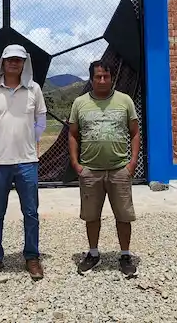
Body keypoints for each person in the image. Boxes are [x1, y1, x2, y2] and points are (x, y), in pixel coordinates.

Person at [0, 44, 48, 281]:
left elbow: (41, 119)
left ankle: (32, 257)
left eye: (19, 59)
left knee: (31, 212)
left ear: (24, 63)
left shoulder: (34, 89)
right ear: (3, 62)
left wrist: (31, 141)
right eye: (10, 60)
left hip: (27, 162)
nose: (14, 63)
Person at [67, 60, 141, 278]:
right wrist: (76, 164)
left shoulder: (124, 101)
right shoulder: (80, 103)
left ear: (111, 78)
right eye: (97, 76)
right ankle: (93, 253)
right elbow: (72, 134)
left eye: (105, 76)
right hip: (90, 170)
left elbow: (135, 132)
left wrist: (132, 163)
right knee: (91, 216)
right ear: (91, 79)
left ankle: (125, 255)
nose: (102, 80)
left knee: (124, 215)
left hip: (120, 169)